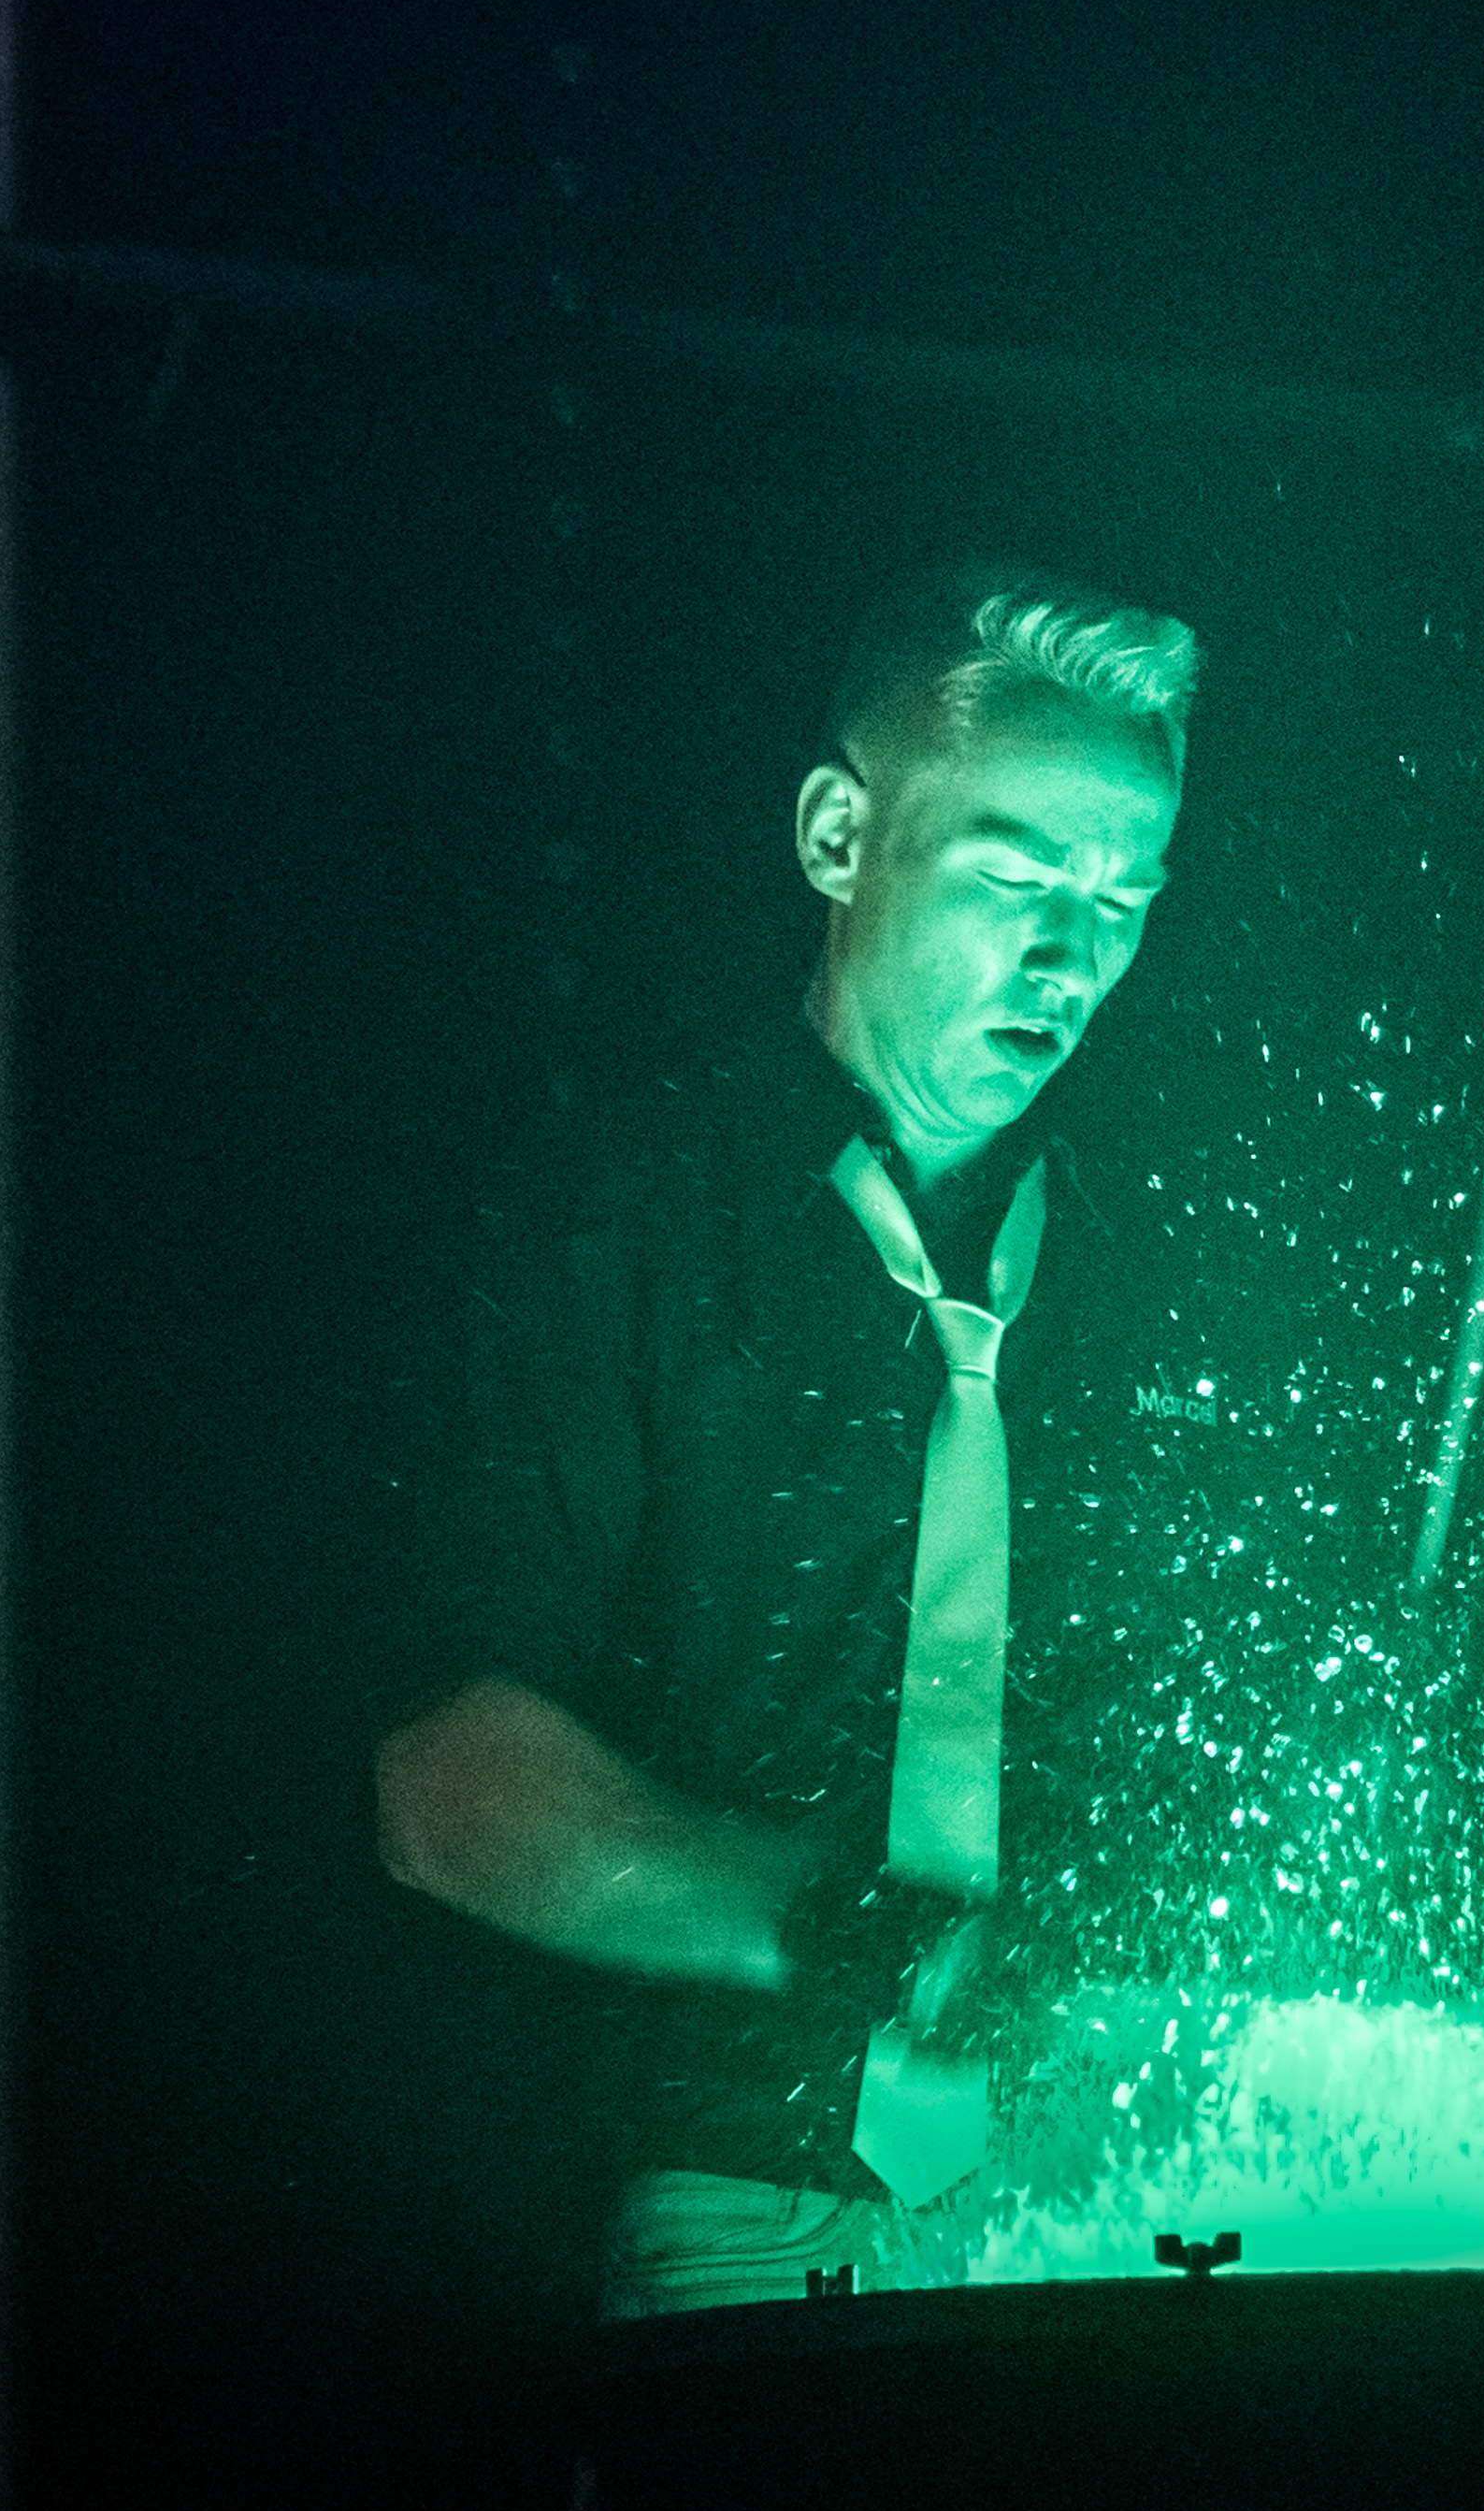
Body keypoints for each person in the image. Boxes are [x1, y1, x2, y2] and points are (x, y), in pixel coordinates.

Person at [372, 558, 1196, 2315]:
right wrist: (828, 1926)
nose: (1072, 958)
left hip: (1083, 2201)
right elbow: (445, 1785)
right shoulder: (621, 1221)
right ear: (838, 834)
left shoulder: (1142, 1290)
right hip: (705, 2199)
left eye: (1124, 899)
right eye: (1015, 878)